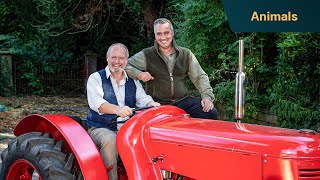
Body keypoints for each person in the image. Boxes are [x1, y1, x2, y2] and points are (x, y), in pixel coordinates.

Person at [86, 43, 160, 180]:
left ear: (126, 60)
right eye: (113, 57)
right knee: (111, 140)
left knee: (149, 138)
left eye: (121, 58)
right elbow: (98, 104)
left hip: (127, 129)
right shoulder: (95, 78)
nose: (117, 62)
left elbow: (142, 98)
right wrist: (117, 109)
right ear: (107, 58)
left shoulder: (133, 81)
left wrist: (151, 103)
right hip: (100, 128)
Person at [125, 18, 218, 120]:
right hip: (157, 103)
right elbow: (125, 65)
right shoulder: (147, 54)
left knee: (210, 113)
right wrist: (139, 74)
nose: (163, 37)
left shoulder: (185, 54)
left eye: (166, 33)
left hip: (183, 101)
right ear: (155, 36)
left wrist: (207, 97)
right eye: (159, 34)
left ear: (172, 33)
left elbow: (199, 76)